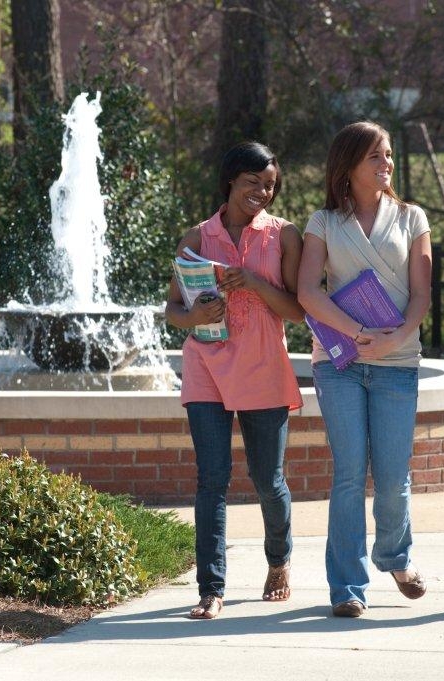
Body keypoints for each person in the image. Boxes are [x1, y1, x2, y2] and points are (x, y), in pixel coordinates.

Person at [165, 141, 305, 620]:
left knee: (268, 481)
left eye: (269, 185)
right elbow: (173, 312)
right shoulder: (196, 238)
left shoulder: (284, 236)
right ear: (230, 181)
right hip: (206, 368)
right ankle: (211, 588)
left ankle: (279, 559)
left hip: (264, 367)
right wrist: (196, 312)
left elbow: (299, 311)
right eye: (253, 183)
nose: (262, 193)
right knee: (212, 480)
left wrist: (255, 284)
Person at [298, 121, 432, 618]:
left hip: (397, 363)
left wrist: (395, 338)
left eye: (389, 155)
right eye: (376, 157)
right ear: (349, 165)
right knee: (350, 474)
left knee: (394, 476)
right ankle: (347, 587)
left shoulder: (413, 217)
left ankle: (396, 558)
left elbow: (421, 294)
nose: (387, 164)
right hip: (340, 364)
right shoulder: (322, 223)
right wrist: (357, 334)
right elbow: (308, 291)